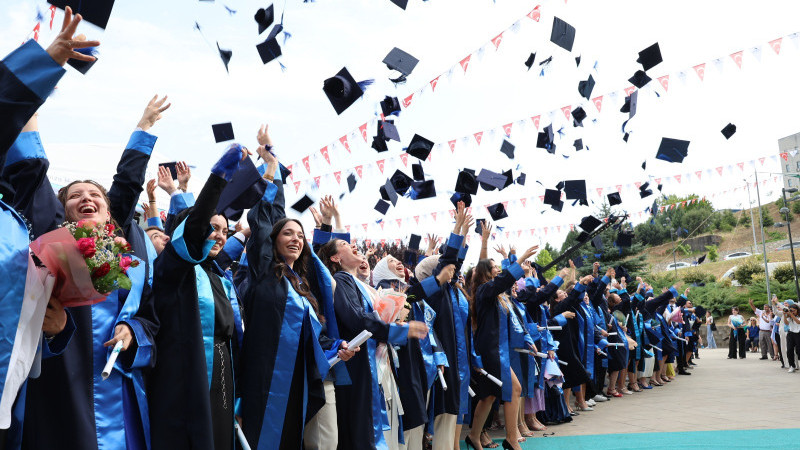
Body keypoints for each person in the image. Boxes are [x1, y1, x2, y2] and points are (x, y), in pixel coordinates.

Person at [0, 8, 98, 446]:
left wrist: (55, 326)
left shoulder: (21, 227)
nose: (88, 202)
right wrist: (36, 72)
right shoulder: (28, 210)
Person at [237, 143, 354, 449]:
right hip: (264, 375)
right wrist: (272, 172)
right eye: (288, 233)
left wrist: (337, 346)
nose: (296, 239)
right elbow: (265, 221)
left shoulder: (300, 285)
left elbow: (312, 333)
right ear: (273, 241)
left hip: (296, 380)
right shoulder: (264, 270)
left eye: (300, 236)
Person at [322, 236, 428, 449]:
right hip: (360, 362)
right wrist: (398, 330)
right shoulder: (341, 281)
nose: (352, 245)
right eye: (344, 245)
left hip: (378, 362)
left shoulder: (359, 284)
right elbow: (356, 319)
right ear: (335, 258)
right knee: (364, 432)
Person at [465, 244, 540, 450]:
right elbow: (503, 280)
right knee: (509, 390)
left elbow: (504, 282)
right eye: (494, 266)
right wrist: (520, 256)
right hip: (490, 351)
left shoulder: (497, 295)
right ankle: (511, 439)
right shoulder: (484, 290)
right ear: (485, 273)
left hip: (499, 350)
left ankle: (474, 436)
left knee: (489, 395)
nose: (497, 268)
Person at [783, 303, 800, 373]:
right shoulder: (790, 316)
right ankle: (792, 366)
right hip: (791, 333)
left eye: (793, 310)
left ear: (797, 310)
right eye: (791, 310)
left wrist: (791, 314)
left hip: (798, 333)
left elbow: (798, 322)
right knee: (789, 350)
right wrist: (785, 315)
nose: (792, 312)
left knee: (799, 350)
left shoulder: (797, 316)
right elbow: (786, 323)